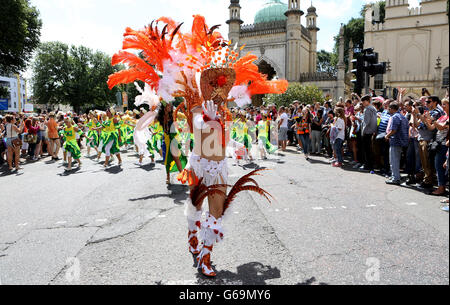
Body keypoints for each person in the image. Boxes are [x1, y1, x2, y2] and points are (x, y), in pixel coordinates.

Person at [424, 97, 449, 195]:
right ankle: (440, 186)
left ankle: (441, 188)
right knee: (438, 166)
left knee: (440, 166)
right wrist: (426, 120)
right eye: (442, 104)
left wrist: (432, 120)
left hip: (444, 145)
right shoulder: (442, 116)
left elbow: (441, 127)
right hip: (438, 144)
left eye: (444, 104)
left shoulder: (448, 117)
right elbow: (431, 127)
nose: (442, 106)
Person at [385, 102, 409, 185]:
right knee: (396, 160)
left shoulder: (395, 117)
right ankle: (395, 176)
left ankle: (395, 178)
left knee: (394, 160)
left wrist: (387, 136)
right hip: (402, 141)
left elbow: (393, 130)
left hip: (396, 141)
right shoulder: (402, 116)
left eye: (389, 108)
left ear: (392, 109)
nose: (388, 110)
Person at [360, 95, 378, 173]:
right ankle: (369, 165)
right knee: (370, 150)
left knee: (367, 150)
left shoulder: (367, 109)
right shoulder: (373, 108)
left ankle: (367, 165)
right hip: (373, 131)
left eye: (364, 102)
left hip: (367, 132)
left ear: (367, 101)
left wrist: (363, 132)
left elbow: (366, 122)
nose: (363, 103)